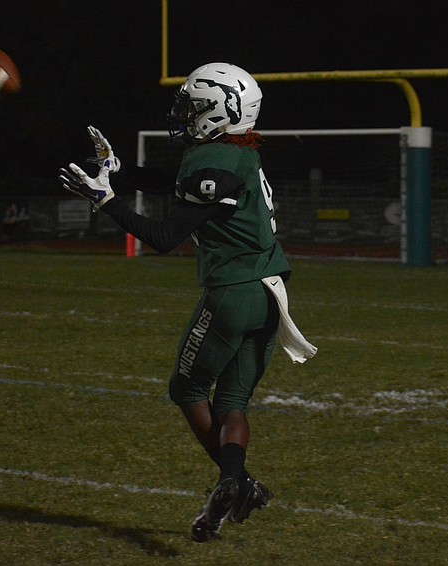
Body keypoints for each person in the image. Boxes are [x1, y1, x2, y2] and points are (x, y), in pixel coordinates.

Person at [60, 62, 317, 542]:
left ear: (222, 110)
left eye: (194, 106)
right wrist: (119, 172)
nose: (183, 113)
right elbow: (173, 182)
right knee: (234, 401)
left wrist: (106, 202)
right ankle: (235, 482)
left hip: (233, 292)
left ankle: (237, 482)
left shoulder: (211, 161)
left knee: (187, 389)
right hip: (272, 292)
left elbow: (164, 236)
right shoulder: (237, 151)